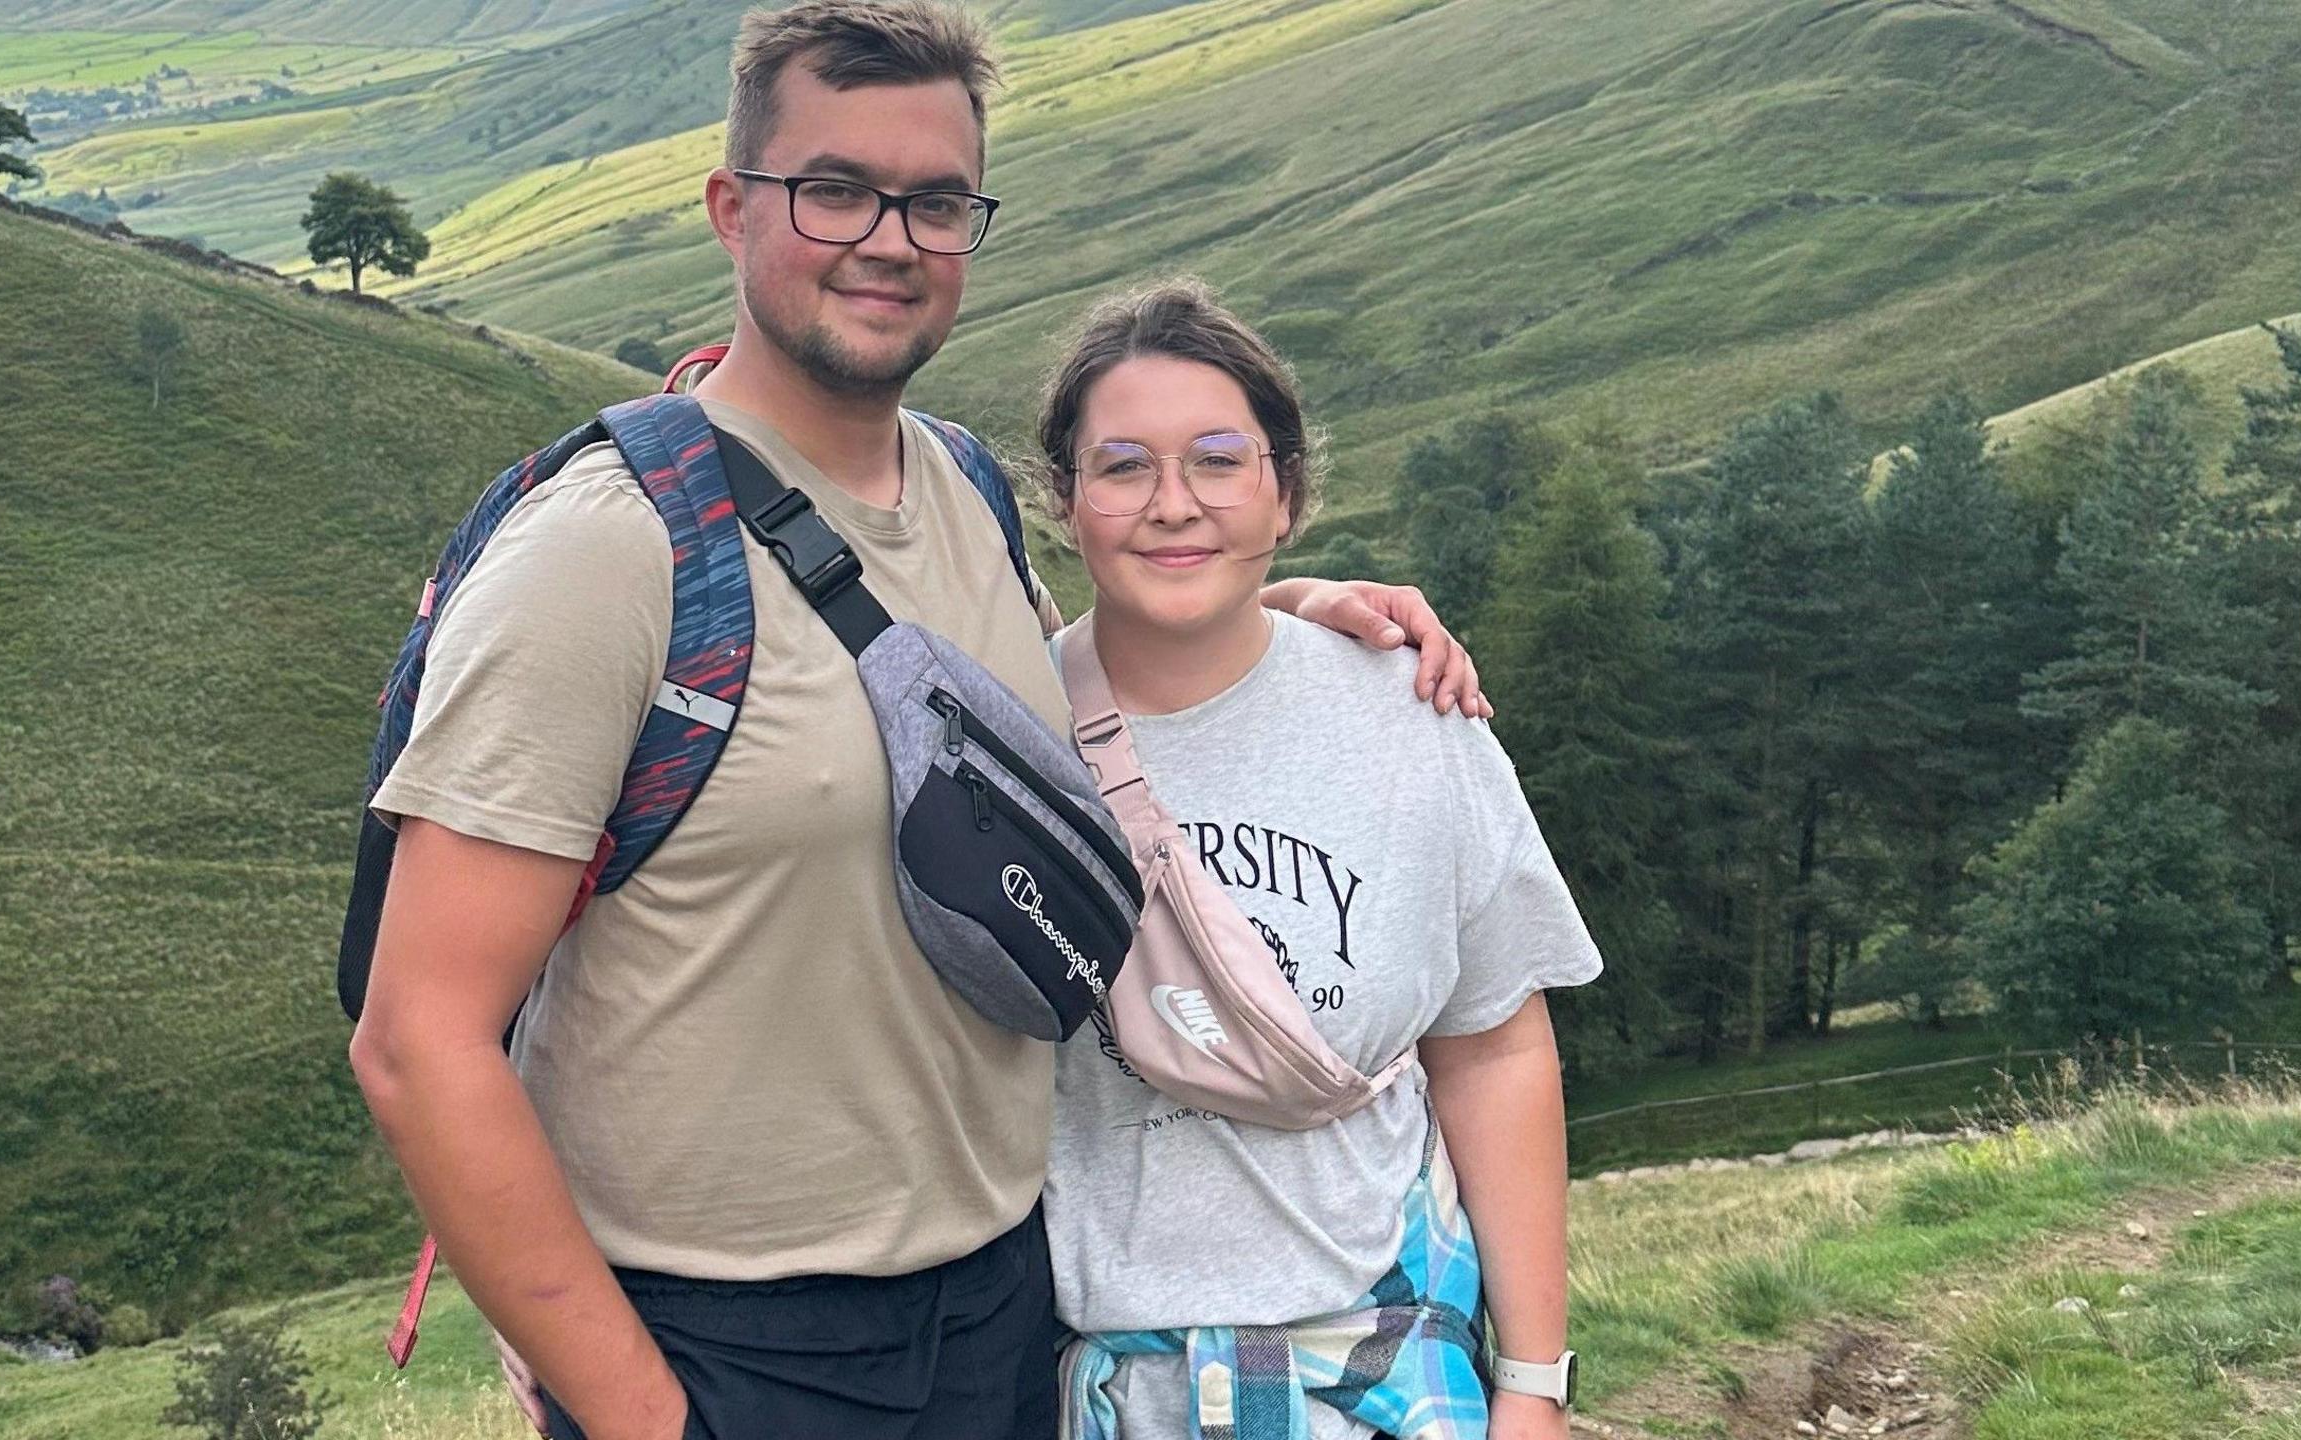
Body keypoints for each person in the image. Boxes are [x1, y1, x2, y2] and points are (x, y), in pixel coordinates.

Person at [345, 4, 1484, 1438]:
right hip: (731, 1349)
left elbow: (1048, 694)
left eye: (937, 202)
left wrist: (1286, 609)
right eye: (835, 189)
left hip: (1007, 1308)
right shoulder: (608, 554)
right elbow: (415, 1041)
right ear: (729, 207)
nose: (889, 239)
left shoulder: (963, 488)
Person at [1036, 279, 1603, 1440]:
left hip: (1385, 1382)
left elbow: (1494, 1047)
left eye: (1217, 461)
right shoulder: (1003, 745)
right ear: (1065, 501)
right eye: (1123, 466)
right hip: (1099, 1395)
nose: (1172, 505)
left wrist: (1533, 1387)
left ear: (1284, 492)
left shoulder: (1412, 715)